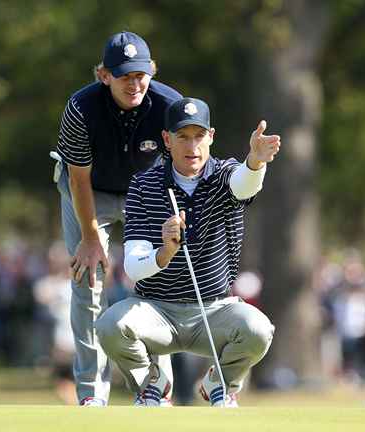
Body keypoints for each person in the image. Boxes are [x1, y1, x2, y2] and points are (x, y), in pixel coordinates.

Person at [94, 97, 280, 407]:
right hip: (157, 310)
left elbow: (244, 186)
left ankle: (218, 384)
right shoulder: (144, 184)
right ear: (167, 139)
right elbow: (134, 266)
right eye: (182, 136)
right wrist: (164, 252)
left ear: (211, 137)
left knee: (258, 329)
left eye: (198, 135)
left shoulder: (224, 174)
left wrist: (256, 162)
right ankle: (152, 384)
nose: (191, 145)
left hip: (214, 309)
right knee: (110, 326)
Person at [53, 31, 182, 406]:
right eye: (125, 75)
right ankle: (92, 395)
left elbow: (186, 167)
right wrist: (90, 238)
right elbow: (78, 178)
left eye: (141, 74)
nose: (135, 83)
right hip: (89, 191)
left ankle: (156, 389)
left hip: (144, 191)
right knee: (88, 281)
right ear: (104, 76)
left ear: (151, 73)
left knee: (157, 278)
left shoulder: (168, 105)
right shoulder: (81, 108)